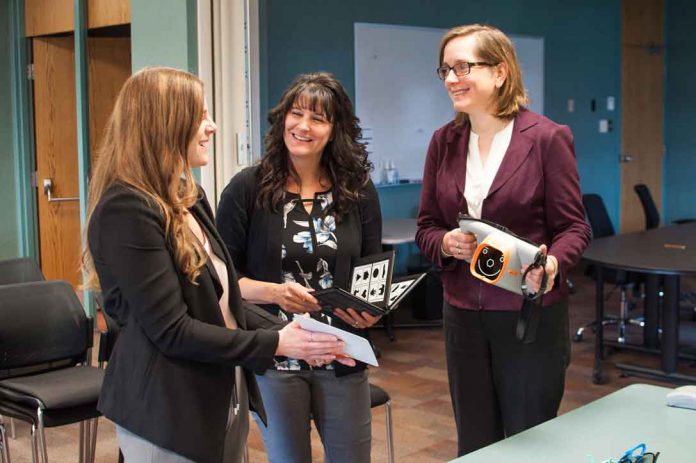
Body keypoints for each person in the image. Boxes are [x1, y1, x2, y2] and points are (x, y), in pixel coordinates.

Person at [84, 67, 350, 463]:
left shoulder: (188, 195)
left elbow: (222, 301)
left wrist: (307, 340)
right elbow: (172, 331)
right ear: (167, 124)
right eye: (201, 116)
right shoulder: (127, 209)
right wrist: (278, 342)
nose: (211, 127)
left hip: (218, 391)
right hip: (166, 408)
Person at [415, 25, 591, 456]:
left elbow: (575, 228)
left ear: (500, 72)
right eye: (445, 69)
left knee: (529, 444)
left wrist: (551, 266)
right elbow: (426, 226)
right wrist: (445, 243)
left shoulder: (547, 138)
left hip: (527, 318)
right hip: (462, 318)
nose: (452, 78)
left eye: (463, 67)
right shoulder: (444, 142)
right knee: (476, 444)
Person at [216, 72, 382, 463]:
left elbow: (373, 266)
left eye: (318, 118)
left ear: (335, 130)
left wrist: (370, 309)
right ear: (282, 120)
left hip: (343, 353)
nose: (303, 126)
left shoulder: (357, 189)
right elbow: (220, 280)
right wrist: (274, 292)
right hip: (275, 354)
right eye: (296, 114)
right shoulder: (247, 189)